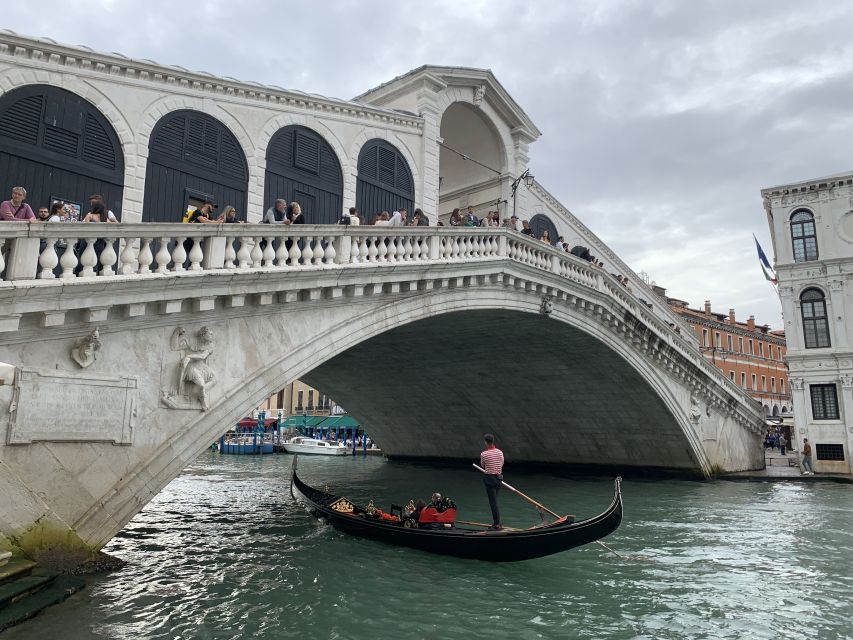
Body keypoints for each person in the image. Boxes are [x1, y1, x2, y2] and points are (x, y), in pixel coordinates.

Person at [480, 433, 505, 530]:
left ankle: (497, 525)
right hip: (499, 478)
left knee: (493, 503)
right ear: (493, 441)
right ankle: (498, 522)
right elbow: (501, 463)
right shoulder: (500, 452)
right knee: (495, 502)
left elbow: (483, 465)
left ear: (486, 442)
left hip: (490, 479)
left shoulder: (484, 454)